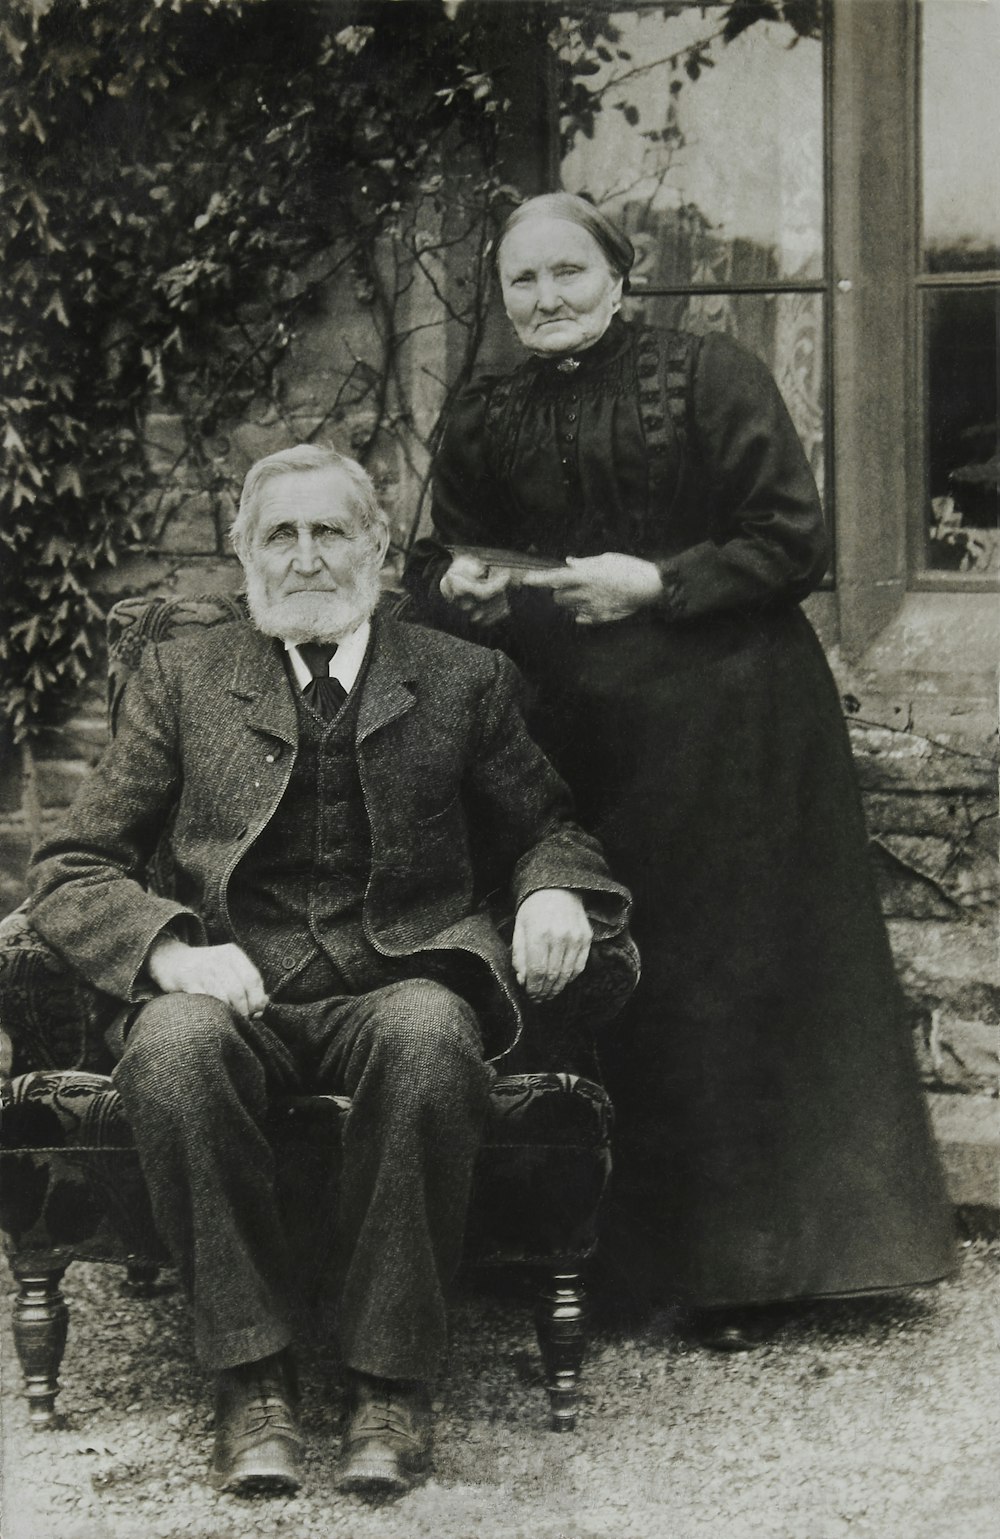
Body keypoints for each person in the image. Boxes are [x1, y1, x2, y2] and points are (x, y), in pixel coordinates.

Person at [28, 443, 633, 1498]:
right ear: (246, 555)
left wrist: (548, 890)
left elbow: (551, 825)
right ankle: (249, 1380)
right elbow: (75, 863)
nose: (306, 557)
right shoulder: (184, 677)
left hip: (392, 977)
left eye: (329, 531)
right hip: (236, 989)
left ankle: (388, 1385)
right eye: (280, 535)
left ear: (377, 548)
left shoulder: (462, 679)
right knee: (169, 1047)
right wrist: (171, 949)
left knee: (432, 1033)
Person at [404, 191, 956, 1348]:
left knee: (720, 979)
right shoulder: (486, 410)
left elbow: (792, 539)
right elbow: (448, 552)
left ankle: (743, 1276)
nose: (546, 299)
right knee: (602, 969)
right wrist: (457, 587)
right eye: (523, 283)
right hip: (569, 728)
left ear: (621, 275)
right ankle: (595, 1255)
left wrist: (655, 584)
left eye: (568, 273)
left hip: (731, 721)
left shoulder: (709, 377)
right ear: (503, 298)